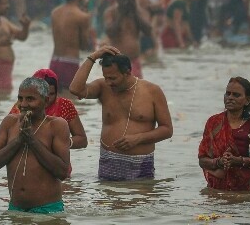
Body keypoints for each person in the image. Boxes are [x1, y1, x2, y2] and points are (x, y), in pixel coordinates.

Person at [69, 46, 173, 181]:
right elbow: (75, 89)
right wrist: (93, 57)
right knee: (108, 200)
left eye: (113, 78)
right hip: (108, 162)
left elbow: (167, 130)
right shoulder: (103, 87)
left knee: (141, 200)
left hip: (140, 164)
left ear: (127, 72)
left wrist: (138, 138)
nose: (108, 82)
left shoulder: (152, 91)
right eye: (106, 77)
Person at [0, 77, 71, 215]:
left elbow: (62, 172)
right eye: (20, 98)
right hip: (15, 209)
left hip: (48, 211)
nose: (23, 104)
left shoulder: (56, 125)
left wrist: (32, 141)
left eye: (30, 99)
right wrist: (18, 141)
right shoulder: (10, 123)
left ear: (46, 100)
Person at [198, 77, 250, 191]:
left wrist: (239, 161)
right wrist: (219, 162)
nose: (230, 98)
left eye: (236, 95)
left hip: (246, 190)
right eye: (228, 94)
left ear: (247, 100)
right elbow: (202, 160)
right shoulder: (213, 122)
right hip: (216, 190)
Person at [9, 69, 88, 158]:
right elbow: (8, 139)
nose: (48, 98)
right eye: (43, 94)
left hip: (58, 165)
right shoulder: (21, 107)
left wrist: (60, 142)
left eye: (51, 94)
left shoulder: (65, 105)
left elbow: (82, 140)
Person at [49, 0, 94, 91]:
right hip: (70, 63)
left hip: (54, 61)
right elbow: (85, 46)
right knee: (71, 102)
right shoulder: (82, 16)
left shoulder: (55, 12)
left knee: (54, 102)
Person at [103, 0, 152, 78]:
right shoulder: (111, 12)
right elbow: (110, 32)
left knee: (136, 90)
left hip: (134, 60)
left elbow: (148, 31)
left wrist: (135, 14)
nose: (128, 2)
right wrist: (121, 14)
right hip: (116, 62)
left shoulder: (139, 13)